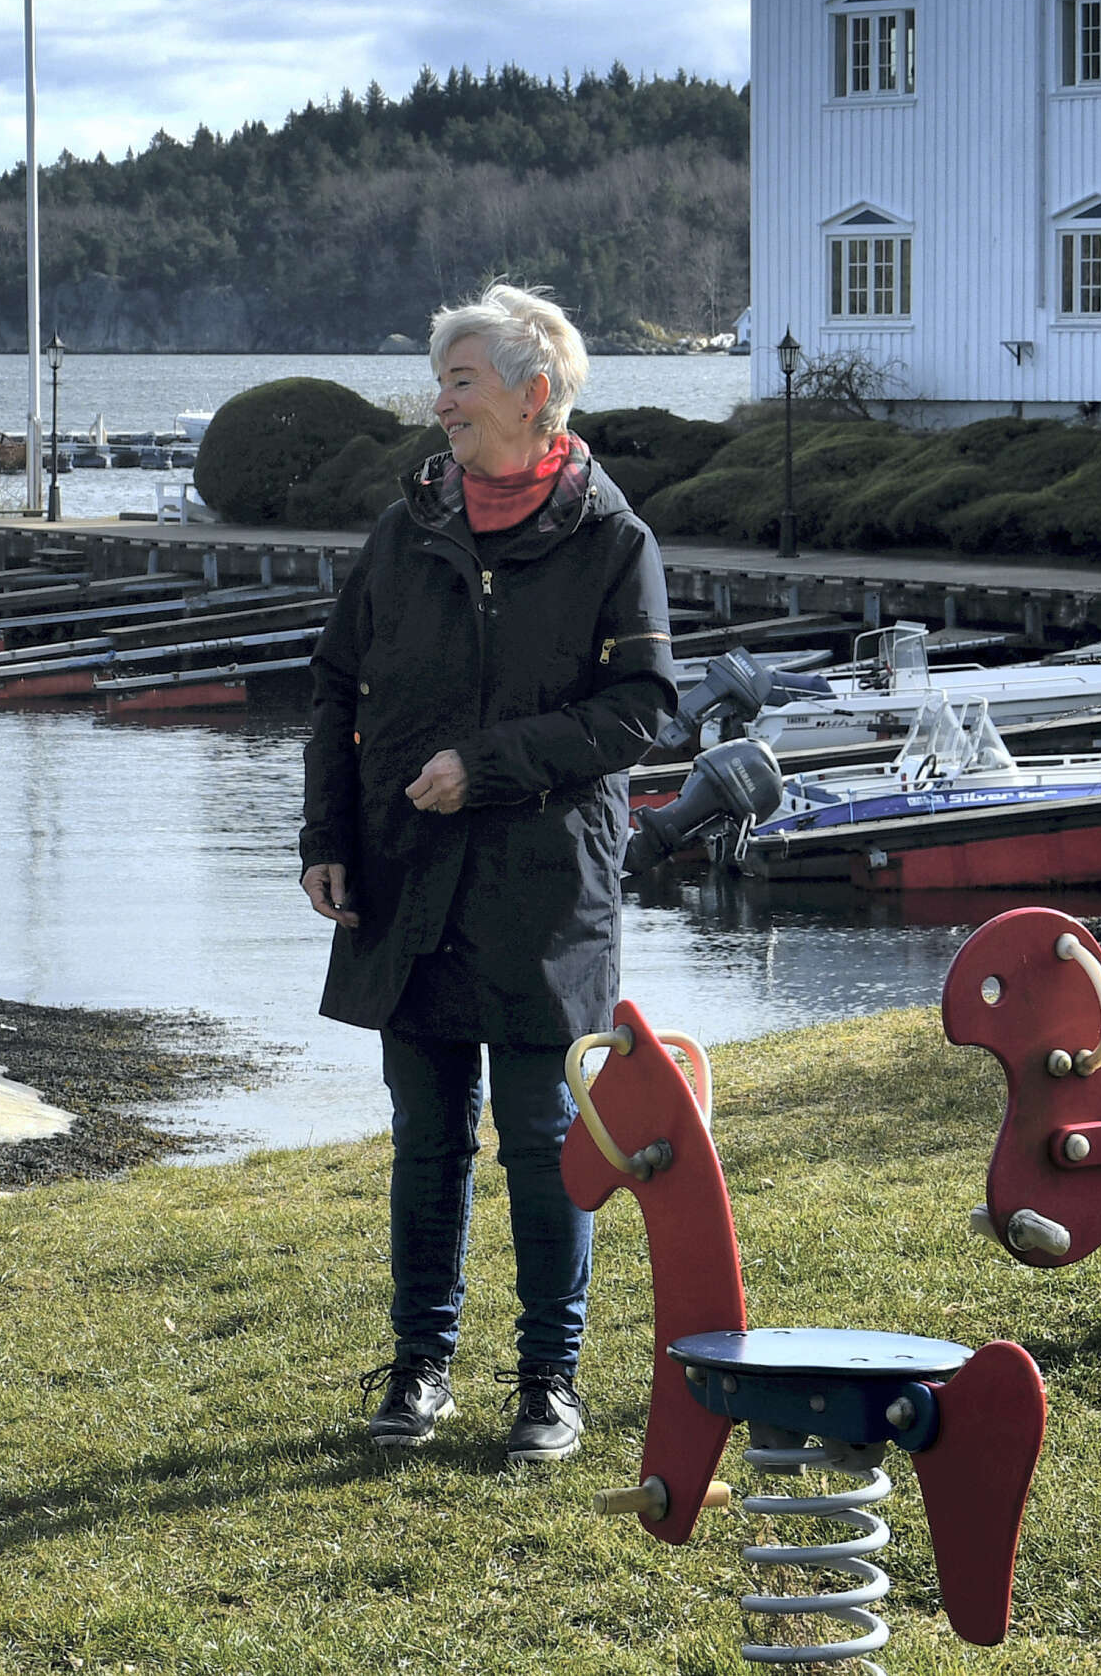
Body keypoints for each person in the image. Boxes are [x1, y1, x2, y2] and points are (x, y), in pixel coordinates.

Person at [300, 283, 674, 1462]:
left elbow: (641, 709)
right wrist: (325, 838)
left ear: (531, 393)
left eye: (459, 382)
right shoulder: (403, 529)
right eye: (441, 382)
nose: (441, 404)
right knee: (425, 1138)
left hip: (542, 891)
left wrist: (490, 766)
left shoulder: (613, 539)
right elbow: (335, 687)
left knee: (542, 1138)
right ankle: (419, 1370)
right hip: (405, 877)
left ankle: (548, 1384)